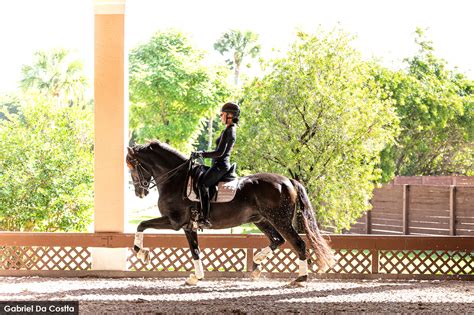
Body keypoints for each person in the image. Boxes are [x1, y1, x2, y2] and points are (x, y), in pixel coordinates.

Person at [191, 102, 240, 228]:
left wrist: (201, 154)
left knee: (202, 184)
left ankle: (205, 218)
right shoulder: (228, 129)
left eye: (222, 114)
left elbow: (219, 153)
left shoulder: (230, 130)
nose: (220, 117)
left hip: (221, 166)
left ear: (230, 115)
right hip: (217, 165)